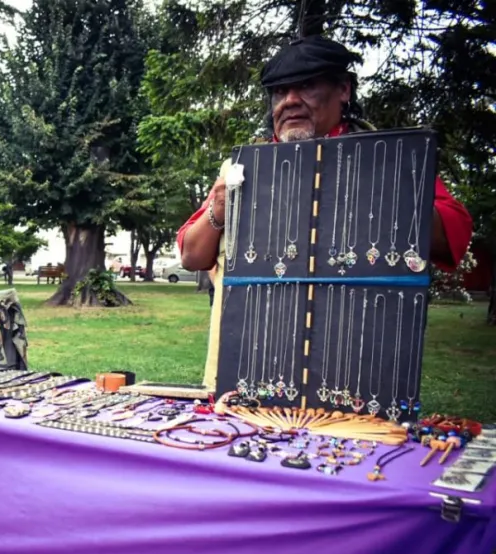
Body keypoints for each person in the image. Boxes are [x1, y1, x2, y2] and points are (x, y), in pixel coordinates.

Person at [177, 36, 473, 390]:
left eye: (307, 85)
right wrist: (218, 210)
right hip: (246, 379)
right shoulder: (240, 169)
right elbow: (191, 254)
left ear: (343, 89)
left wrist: (379, 187)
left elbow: (454, 233)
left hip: (351, 383)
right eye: (279, 91)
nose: (289, 101)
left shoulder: (385, 160)